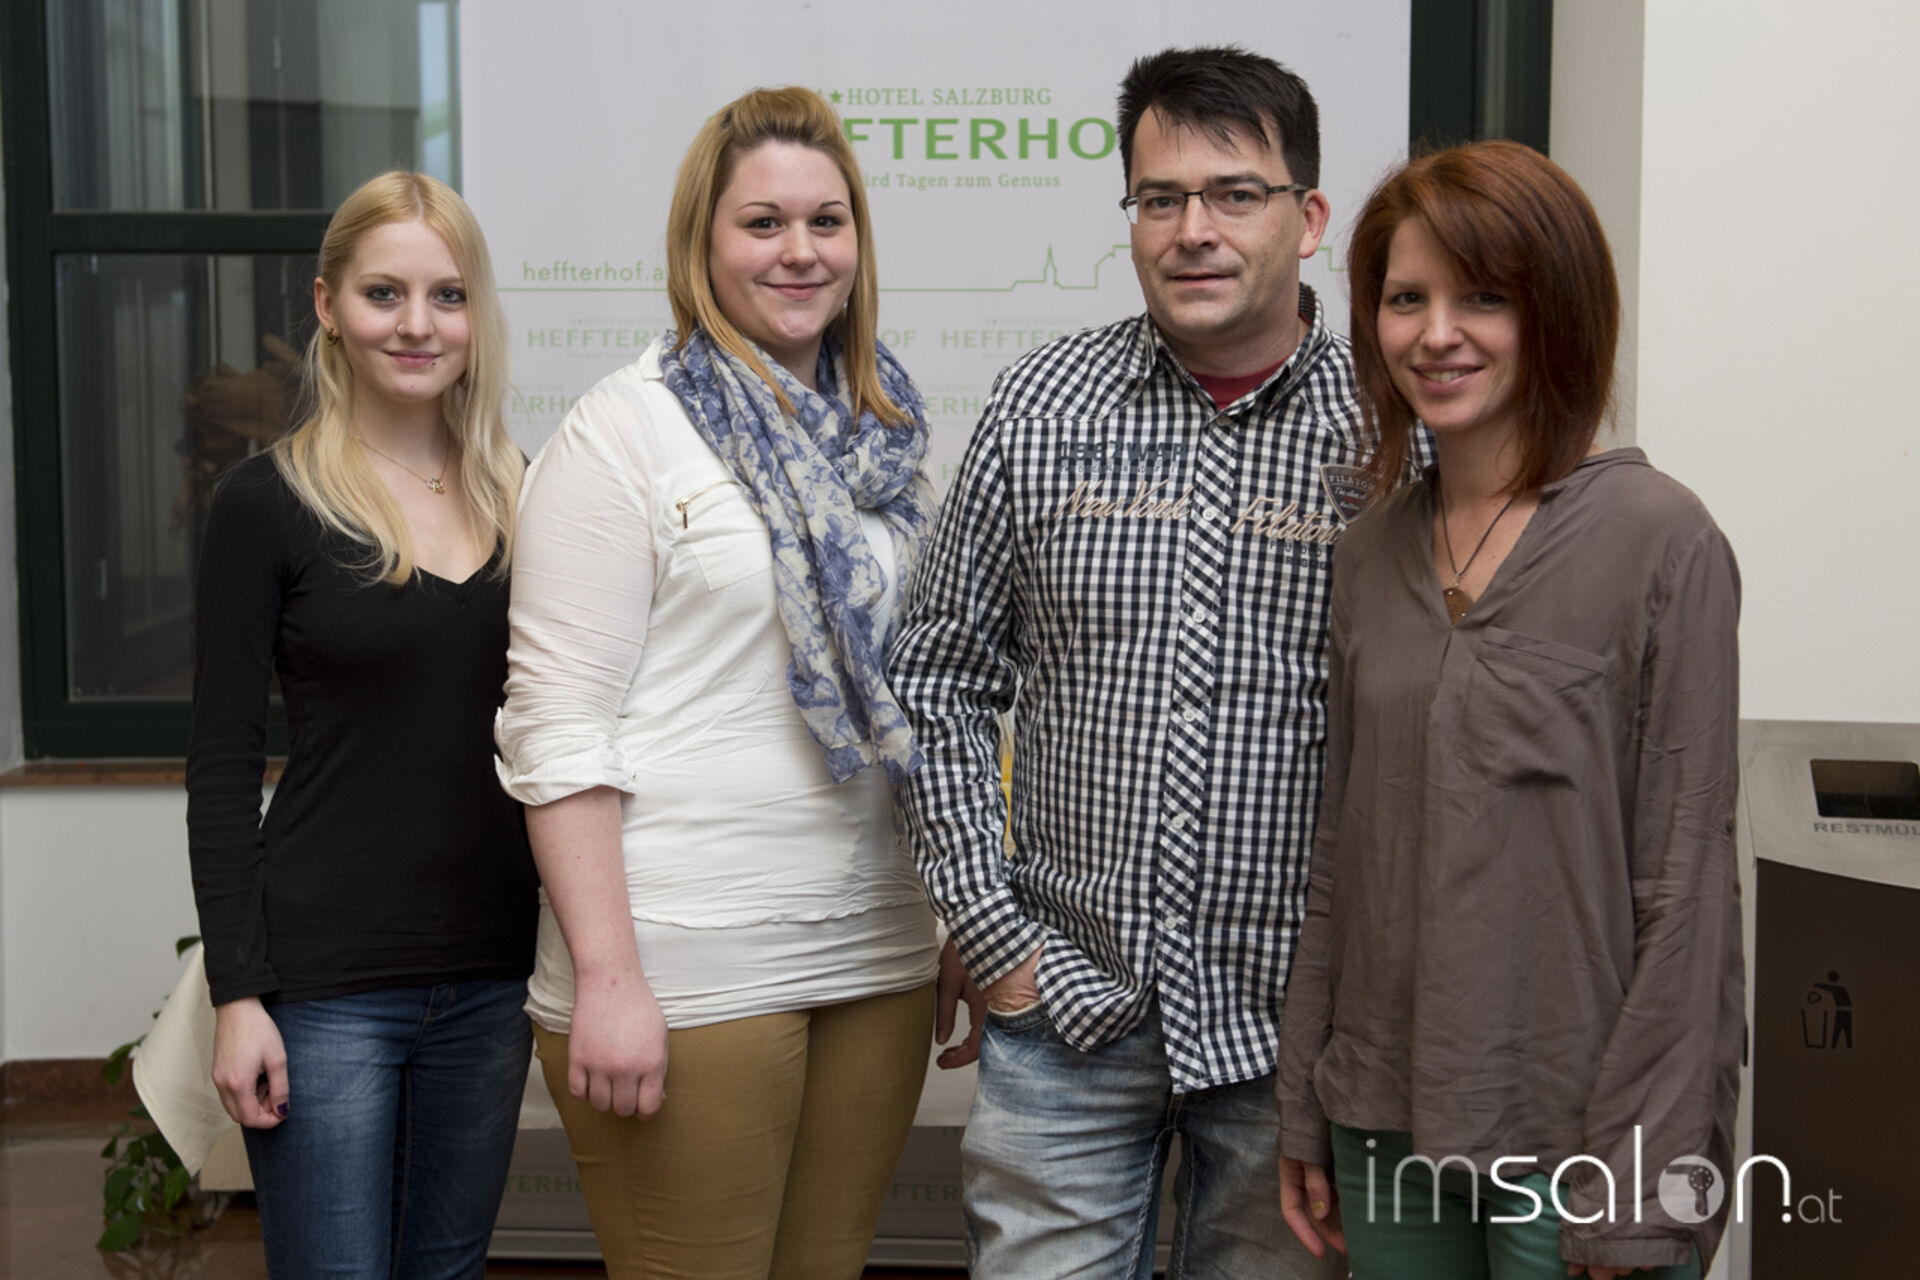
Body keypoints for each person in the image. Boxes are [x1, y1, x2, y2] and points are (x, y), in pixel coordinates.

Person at [889, 46, 1360, 1277]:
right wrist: (994, 937)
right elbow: (936, 673)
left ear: (1309, 218)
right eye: (1161, 197)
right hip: (1068, 1015)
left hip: (1295, 1040)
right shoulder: (1042, 405)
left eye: (1235, 194)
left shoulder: (1388, 428)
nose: (1193, 230)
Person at [494, 86, 958, 1280]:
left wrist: (956, 910)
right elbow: (556, 727)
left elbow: (935, 692)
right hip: (687, 956)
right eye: (763, 223)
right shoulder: (625, 430)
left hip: (879, 944)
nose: (800, 251)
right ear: (701, 243)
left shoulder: (888, 433)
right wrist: (609, 977)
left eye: (826, 220)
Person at [1274, 140, 1743, 1280]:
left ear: (1557, 310)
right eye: (1406, 299)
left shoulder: (1660, 537)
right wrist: (1305, 1102)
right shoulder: (1368, 550)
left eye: (1484, 296)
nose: (1437, 334)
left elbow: (1687, 893)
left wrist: (1641, 1182)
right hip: (1382, 1119)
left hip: (1578, 1138)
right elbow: (1341, 852)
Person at [186, 170, 538, 1279]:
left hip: (492, 975)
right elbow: (221, 764)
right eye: (385, 293)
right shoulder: (266, 503)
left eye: (447, 295)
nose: (417, 324)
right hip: (325, 988)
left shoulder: (525, 496)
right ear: (328, 305)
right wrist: (238, 993)